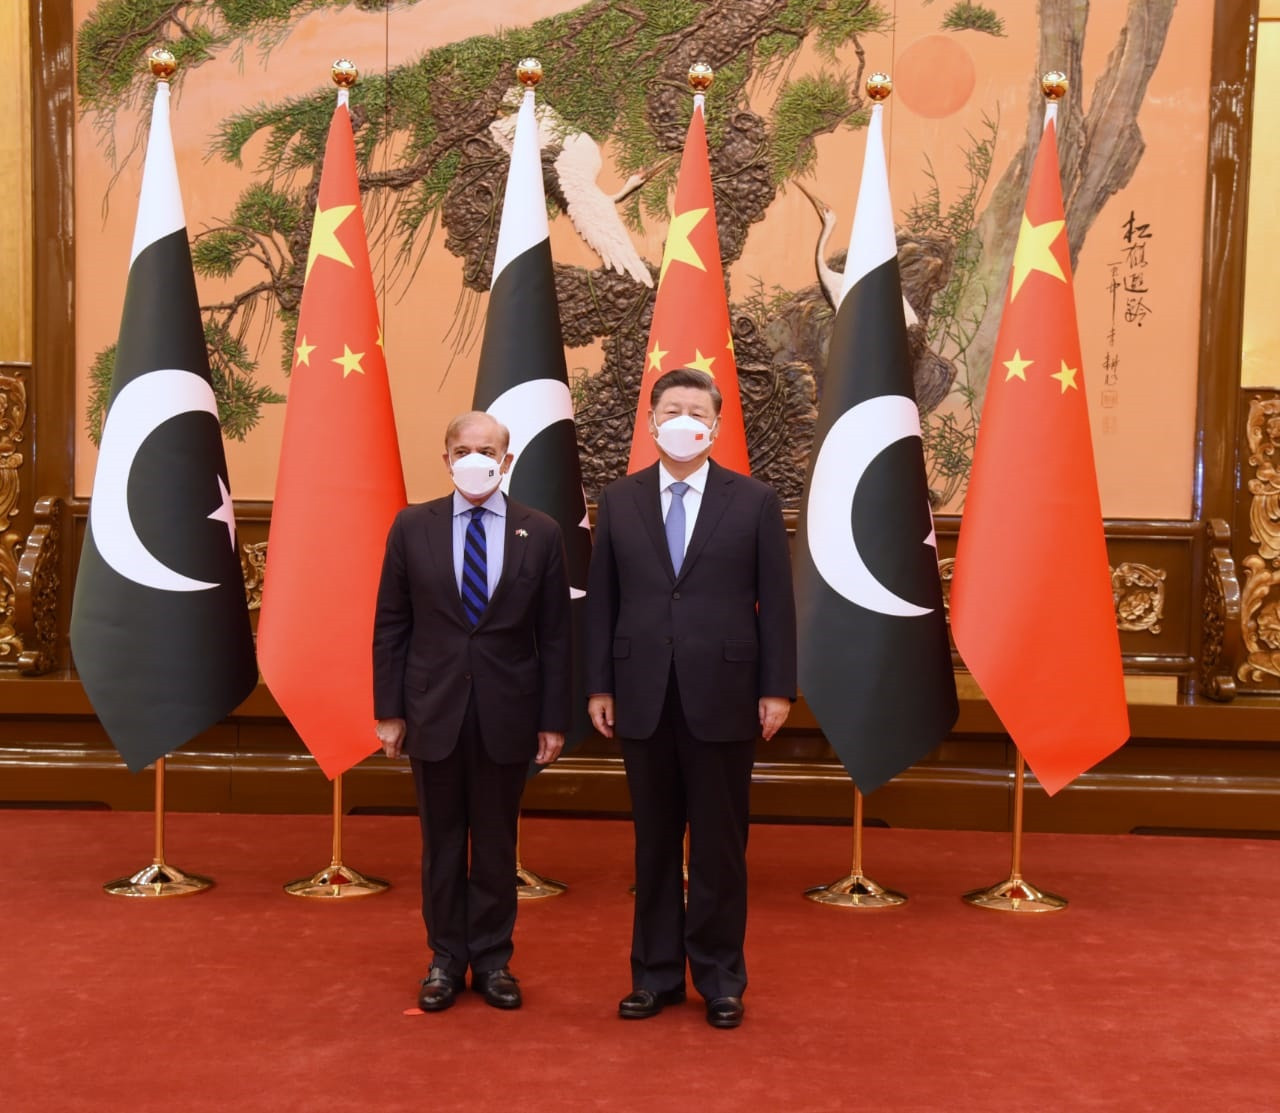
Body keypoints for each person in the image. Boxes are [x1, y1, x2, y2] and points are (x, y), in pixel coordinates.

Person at [585, 367, 797, 1030]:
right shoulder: (619, 500)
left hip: (727, 695)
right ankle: (653, 975)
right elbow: (603, 602)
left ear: (716, 423)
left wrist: (776, 688)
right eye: (669, 408)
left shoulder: (754, 500)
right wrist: (599, 683)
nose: (682, 418)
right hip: (641, 693)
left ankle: (719, 977)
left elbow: (777, 605)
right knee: (653, 844)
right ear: (651, 422)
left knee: (719, 846)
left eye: (694, 409)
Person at [373, 411, 571, 1013]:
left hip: (507, 713)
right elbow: (392, 624)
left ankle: (492, 961)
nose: (475, 458)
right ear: (446, 458)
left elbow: (557, 636)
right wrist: (389, 711)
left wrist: (552, 718)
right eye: (463, 449)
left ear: (506, 461)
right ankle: (443, 959)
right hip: (431, 711)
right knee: (440, 844)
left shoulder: (541, 531)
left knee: (492, 844)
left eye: (487, 450)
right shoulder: (412, 526)